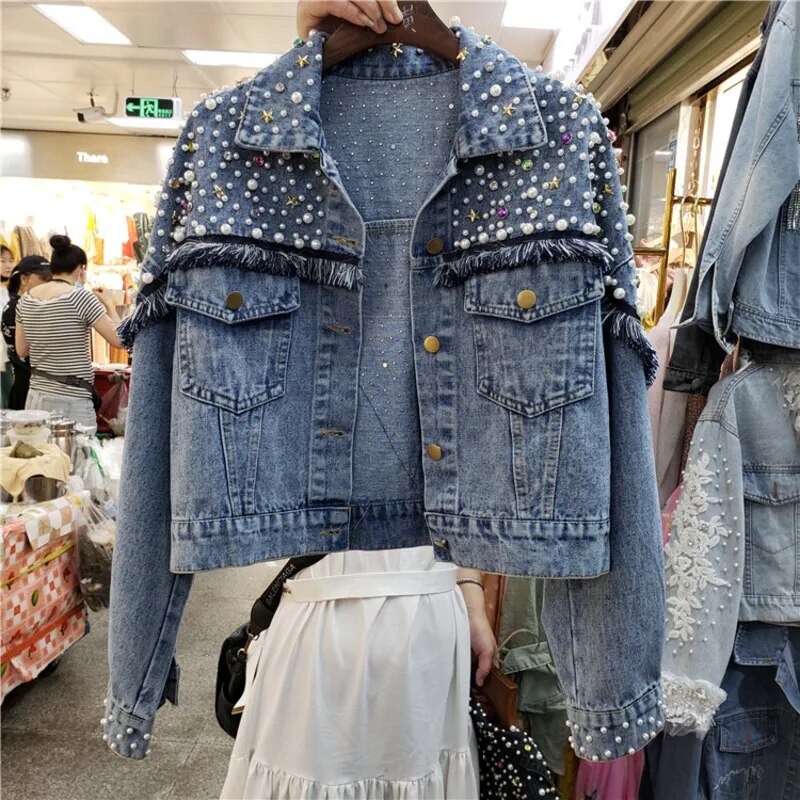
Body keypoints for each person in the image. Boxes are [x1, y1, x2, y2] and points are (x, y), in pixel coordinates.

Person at [219, 3, 492, 798]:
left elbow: (468, 426)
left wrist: (469, 586)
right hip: (340, 600)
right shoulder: (272, 160)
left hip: (414, 598)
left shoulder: (500, 158)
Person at [15, 235, 122, 430]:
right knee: (77, 460)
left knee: (41, 458)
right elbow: (120, 339)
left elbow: (21, 350)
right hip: (71, 400)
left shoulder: (26, 300)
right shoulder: (80, 297)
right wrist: (110, 305)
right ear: (81, 269)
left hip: (35, 397)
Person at [1, 256, 51, 410]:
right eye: (43, 278)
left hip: (36, 389)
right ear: (24, 279)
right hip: (28, 393)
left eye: (51, 279)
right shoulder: (17, 308)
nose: (48, 284)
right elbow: (25, 352)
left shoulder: (28, 305)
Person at [0, 244, 15, 406]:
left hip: (5, 354)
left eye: (10, 260)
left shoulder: (4, 291)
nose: (8, 265)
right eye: (2, 260)